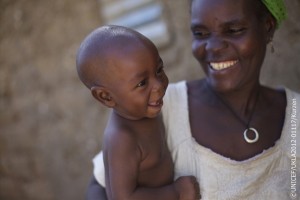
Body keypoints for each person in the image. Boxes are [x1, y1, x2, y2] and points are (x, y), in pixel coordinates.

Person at [87, 0, 300, 199]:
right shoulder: (158, 106)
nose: (214, 46)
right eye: (200, 33)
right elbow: (101, 186)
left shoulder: (296, 118)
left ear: (267, 27)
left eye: (234, 30)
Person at [76, 25, 201, 200]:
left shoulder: (144, 111)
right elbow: (122, 198)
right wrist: (176, 192)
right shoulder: (123, 138)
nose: (158, 85)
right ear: (106, 97)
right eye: (142, 83)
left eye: (159, 70)